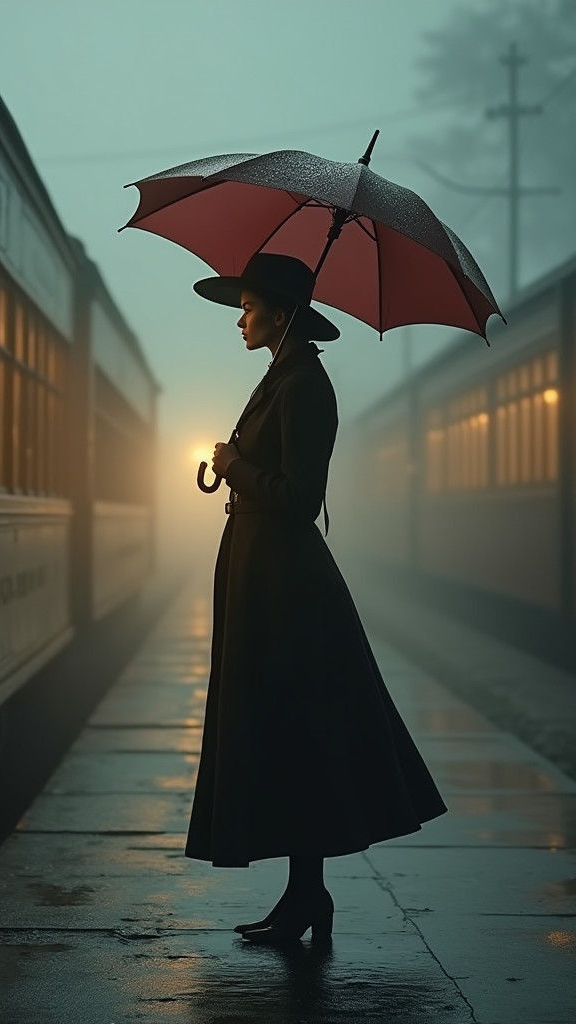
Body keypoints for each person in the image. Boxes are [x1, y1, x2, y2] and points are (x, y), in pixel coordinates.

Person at [184, 252, 447, 945]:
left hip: (288, 590)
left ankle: (307, 900)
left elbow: (300, 501)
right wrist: (236, 463)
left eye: (246, 306)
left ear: (279, 312)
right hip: (267, 583)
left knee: (299, 734)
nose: (238, 319)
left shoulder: (304, 387)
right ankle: (304, 898)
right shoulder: (282, 379)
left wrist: (233, 464)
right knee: (291, 737)